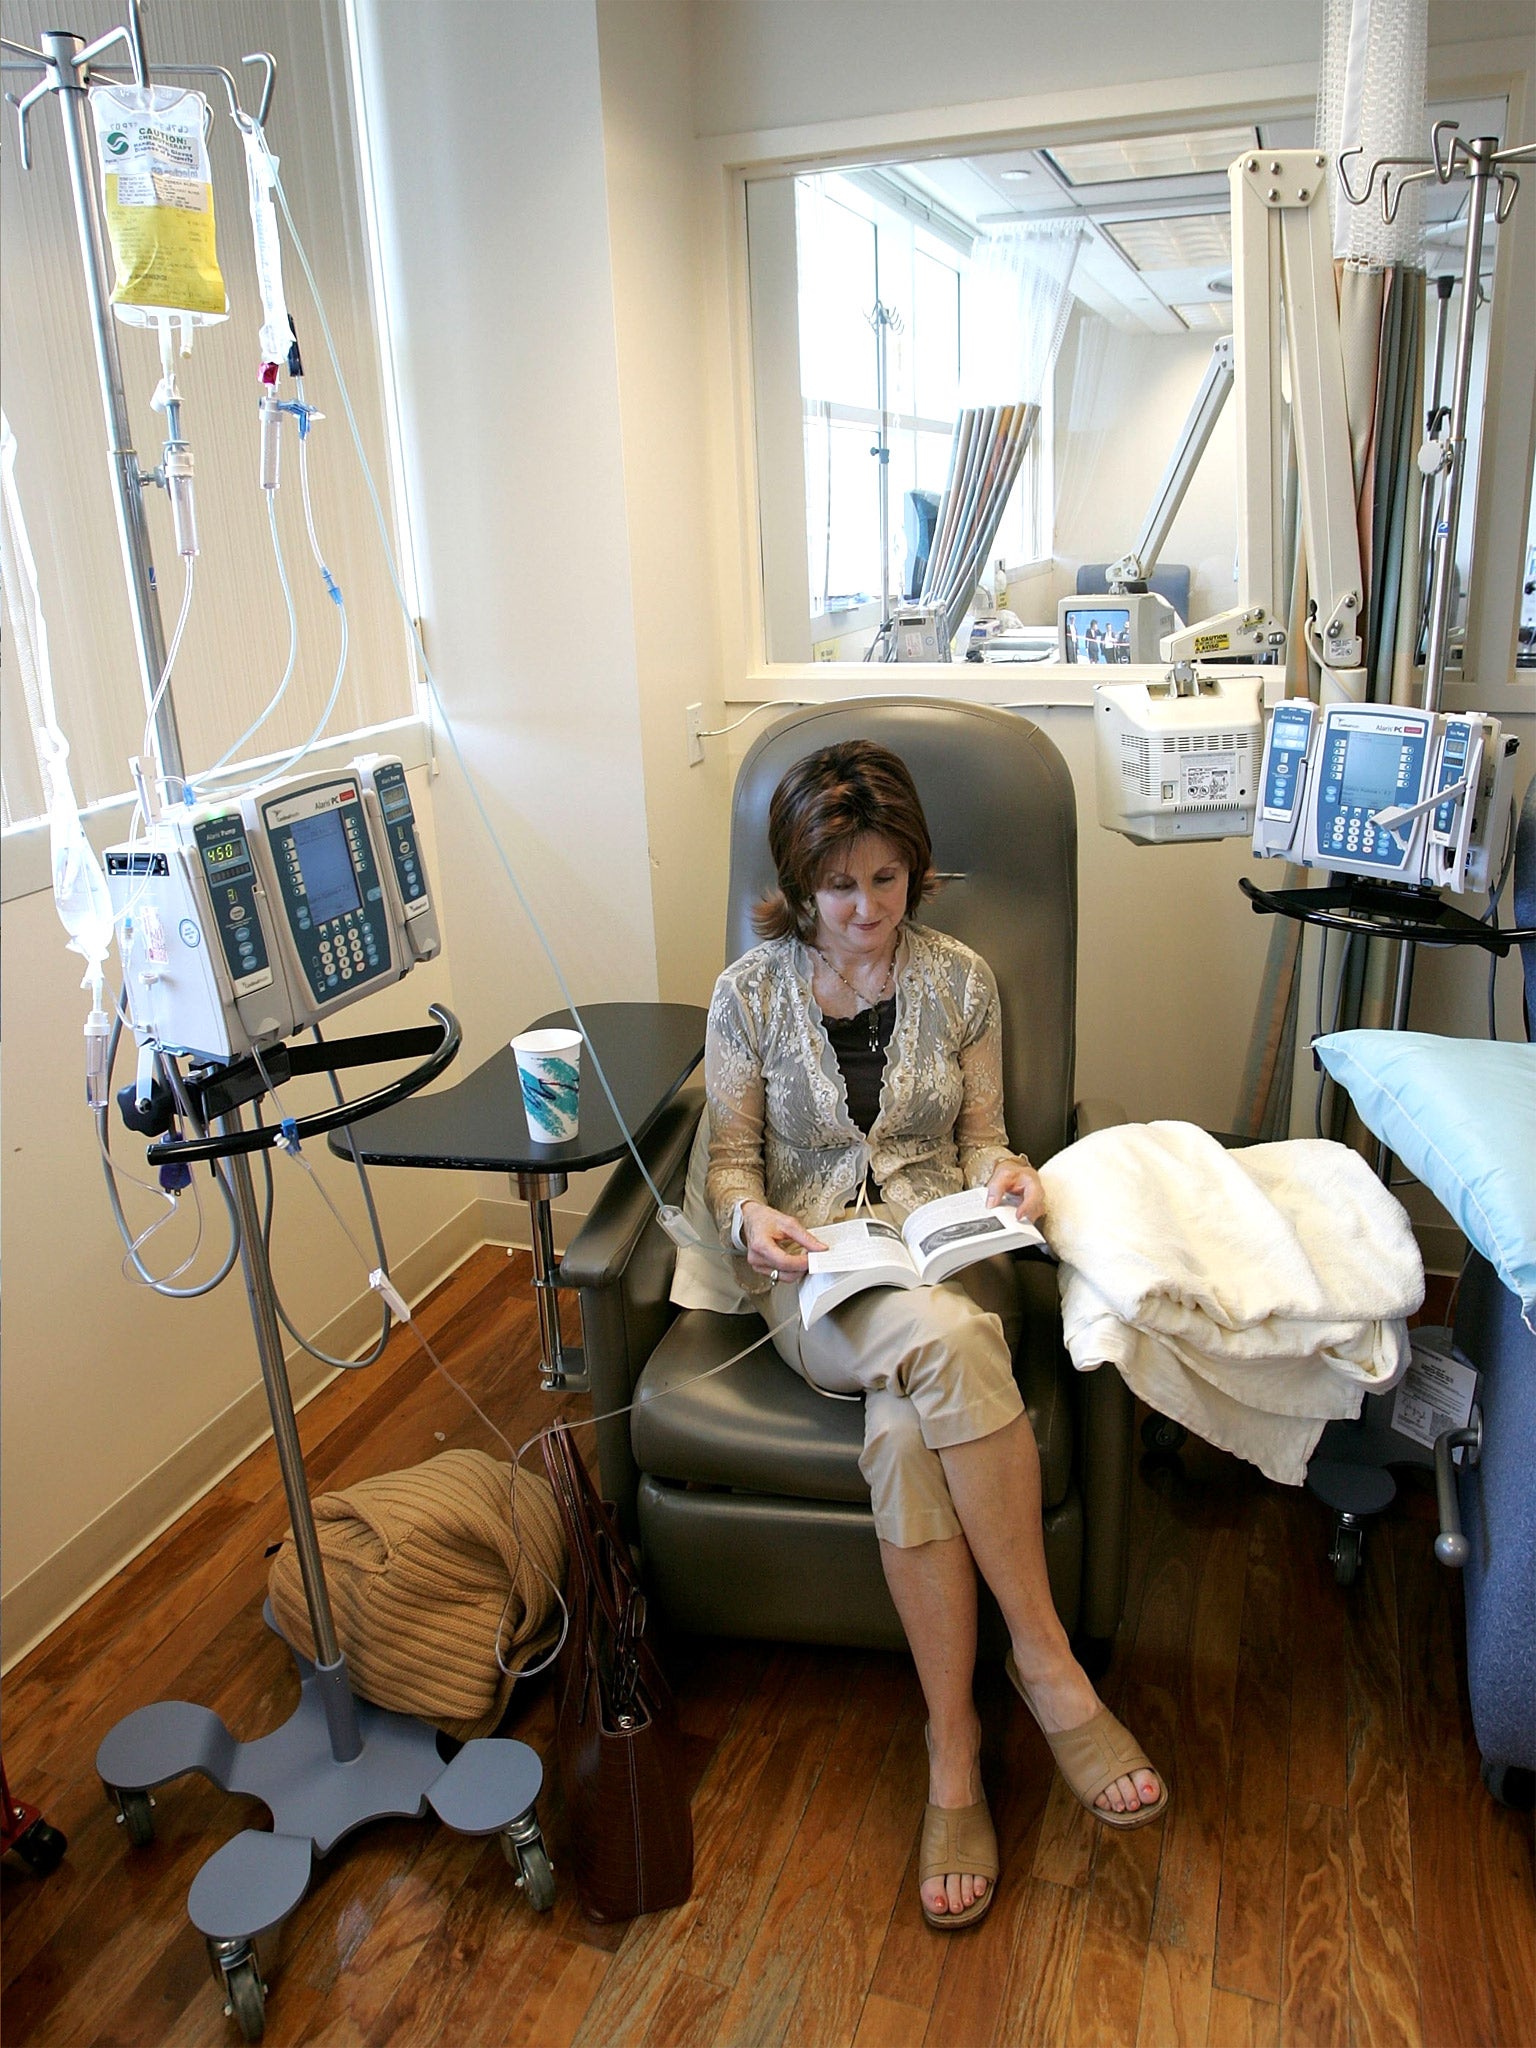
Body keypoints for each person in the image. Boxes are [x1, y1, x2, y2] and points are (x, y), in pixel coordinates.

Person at [690, 740, 1165, 1932]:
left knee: (912, 1430)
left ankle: (952, 1749)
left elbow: (990, 1136)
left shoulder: (961, 980)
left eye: (887, 879)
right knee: (944, 1350)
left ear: (918, 873)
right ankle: (1049, 1667)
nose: (864, 907)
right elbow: (732, 1166)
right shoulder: (748, 993)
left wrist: (1012, 1180)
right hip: (817, 1284)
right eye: (838, 883)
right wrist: (752, 1222)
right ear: (799, 883)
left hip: (949, 1261)